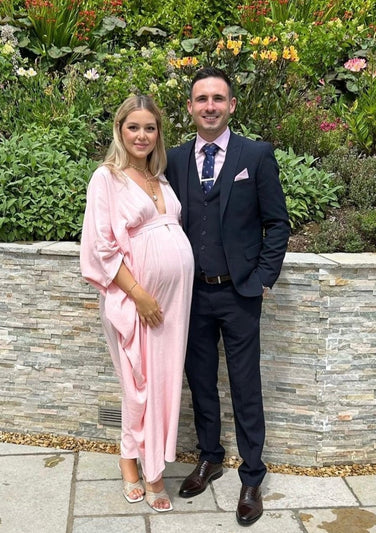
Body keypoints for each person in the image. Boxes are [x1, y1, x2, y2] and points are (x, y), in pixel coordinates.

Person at [165, 66, 291, 526]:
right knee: (200, 381)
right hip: (191, 294)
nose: (210, 106)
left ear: (232, 105)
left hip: (238, 293)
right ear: (190, 107)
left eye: (218, 98)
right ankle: (210, 457)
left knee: (244, 385)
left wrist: (262, 279)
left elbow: (277, 223)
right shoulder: (175, 159)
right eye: (202, 99)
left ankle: (252, 475)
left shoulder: (255, 155)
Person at [80, 95, 194, 512]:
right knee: (138, 385)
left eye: (149, 127)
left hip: (175, 303)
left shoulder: (159, 178)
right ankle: (132, 463)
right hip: (136, 300)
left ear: (158, 133)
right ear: (120, 130)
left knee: (164, 384)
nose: (142, 135)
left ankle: (153, 467)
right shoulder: (106, 178)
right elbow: (101, 246)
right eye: (134, 127)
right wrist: (140, 294)